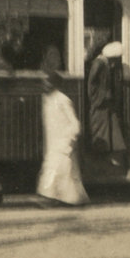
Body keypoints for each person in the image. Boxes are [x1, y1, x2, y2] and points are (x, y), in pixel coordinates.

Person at [37, 71, 89, 206]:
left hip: (64, 142)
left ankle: (55, 199)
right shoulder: (48, 100)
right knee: (57, 170)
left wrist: (70, 139)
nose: (45, 86)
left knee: (61, 171)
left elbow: (75, 123)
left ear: (54, 85)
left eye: (48, 83)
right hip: (54, 143)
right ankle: (63, 199)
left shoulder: (63, 100)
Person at [87, 40, 127, 166]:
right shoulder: (99, 64)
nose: (115, 63)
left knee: (111, 128)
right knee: (101, 131)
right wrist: (101, 96)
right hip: (100, 104)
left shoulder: (103, 63)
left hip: (104, 104)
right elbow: (91, 84)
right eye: (115, 59)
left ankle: (111, 158)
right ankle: (101, 161)